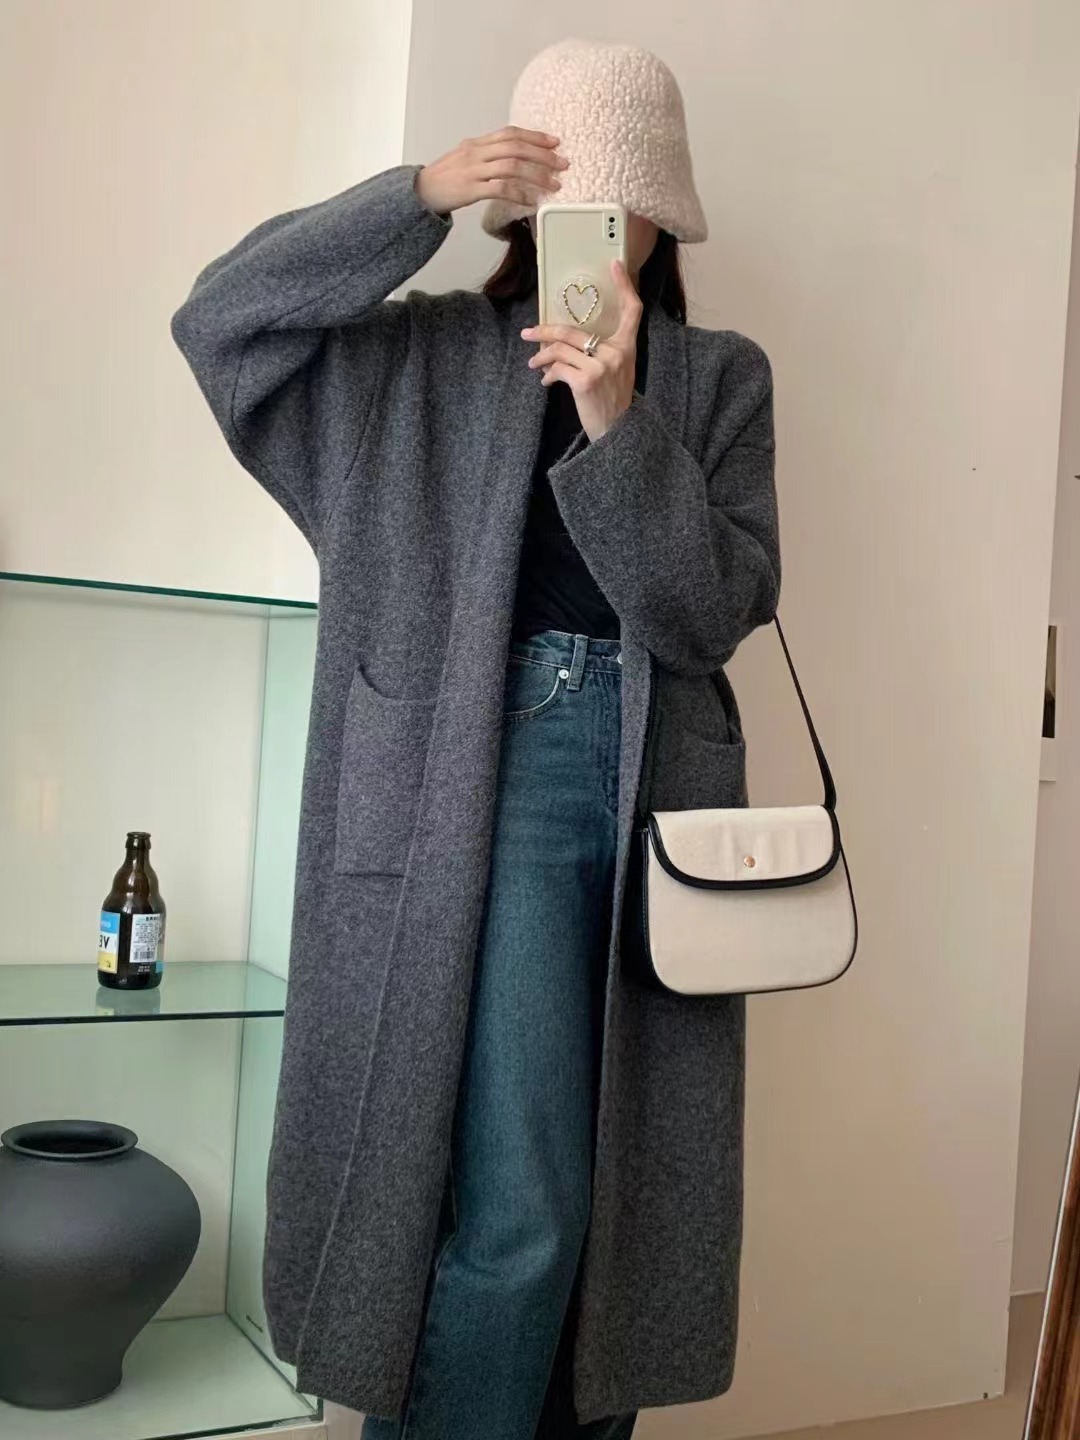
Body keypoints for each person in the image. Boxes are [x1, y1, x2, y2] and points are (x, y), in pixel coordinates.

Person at [171, 37, 779, 1440]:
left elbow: (714, 614)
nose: (589, 222)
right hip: (484, 770)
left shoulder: (720, 380)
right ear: (516, 202)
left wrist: (617, 421)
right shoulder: (420, 358)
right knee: (524, 1210)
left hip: (658, 792)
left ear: (659, 213)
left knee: (619, 1220)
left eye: (616, 197)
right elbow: (222, 326)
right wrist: (416, 194)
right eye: (556, 189)